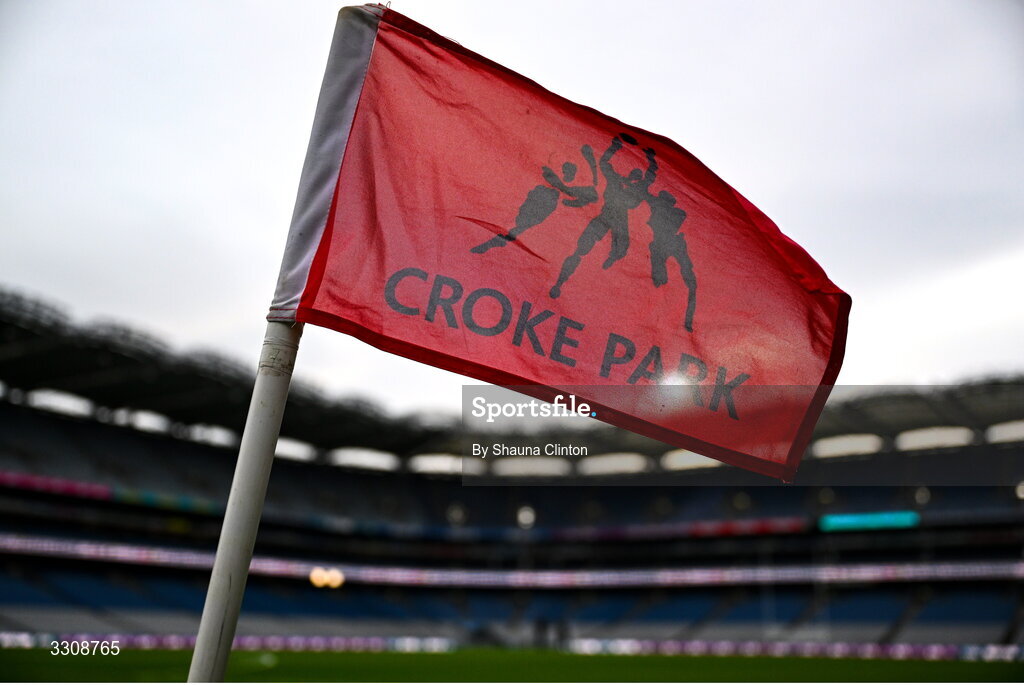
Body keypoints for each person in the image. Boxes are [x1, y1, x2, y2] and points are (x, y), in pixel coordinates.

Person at [549, 134, 657, 298]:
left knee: (620, 250)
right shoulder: (616, 181)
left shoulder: (637, 190)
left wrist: (651, 160)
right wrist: (615, 146)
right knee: (580, 249)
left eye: (637, 176)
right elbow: (603, 163)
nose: (634, 178)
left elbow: (650, 178)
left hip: (620, 222)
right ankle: (559, 283)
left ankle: (610, 260)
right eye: (633, 175)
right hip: (605, 217)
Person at [470, 146, 598, 254]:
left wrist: (570, 198)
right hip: (538, 196)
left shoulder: (565, 186)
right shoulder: (554, 176)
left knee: (522, 225)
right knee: (518, 222)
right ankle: (496, 241)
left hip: (545, 203)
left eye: (570, 171)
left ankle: (496, 242)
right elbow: (546, 173)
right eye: (566, 169)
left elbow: (590, 196)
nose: (567, 173)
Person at [645, 189, 697, 332]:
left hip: (670, 243)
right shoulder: (672, 212)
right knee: (660, 281)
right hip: (663, 244)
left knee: (689, 283)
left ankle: (686, 322)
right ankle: (662, 318)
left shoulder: (674, 212)